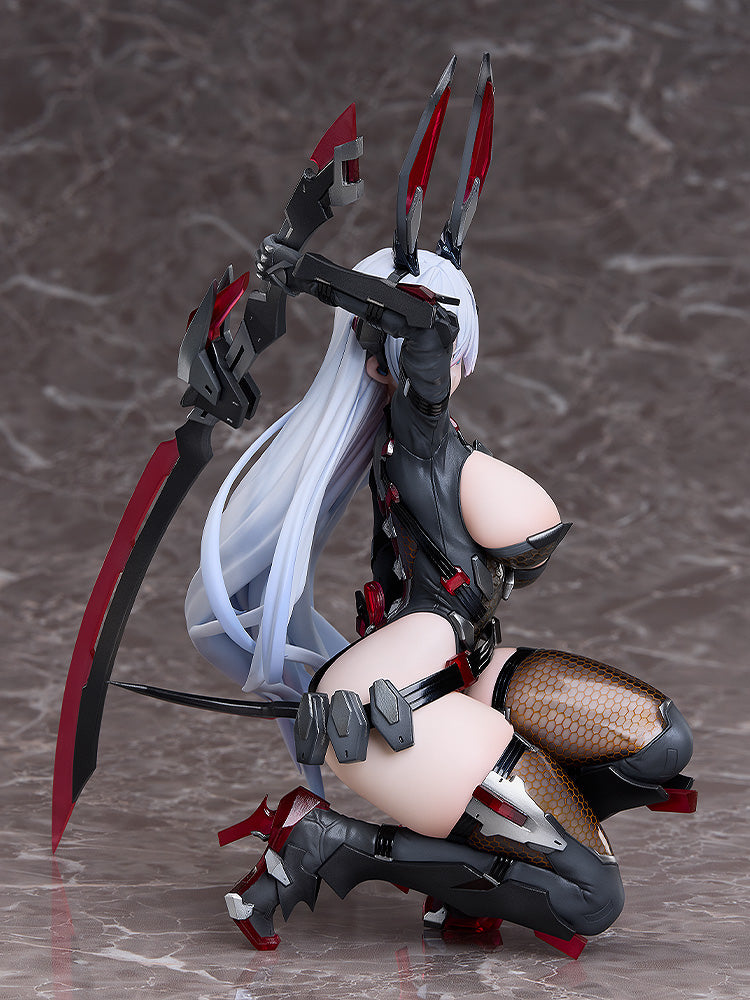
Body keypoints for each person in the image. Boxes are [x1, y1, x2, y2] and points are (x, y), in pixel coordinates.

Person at [184, 60, 695, 956]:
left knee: (658, 744)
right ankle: (334, 842)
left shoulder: (427, 441)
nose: (442, 351)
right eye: (430, 336)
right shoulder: (417, 434)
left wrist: (324, 277)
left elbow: (423, 343)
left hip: (463, 663)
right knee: (590, 898)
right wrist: (310, 275)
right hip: (402, 704)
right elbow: (419, 337)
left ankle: (477, 866)